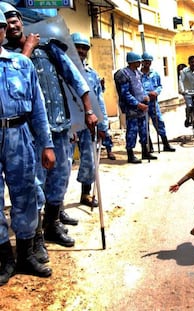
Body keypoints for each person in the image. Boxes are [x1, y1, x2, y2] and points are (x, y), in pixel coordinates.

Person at [1, 3, 98, 252]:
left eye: (15, 21)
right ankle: (36, 237)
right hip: (27, 135)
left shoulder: (47, 47)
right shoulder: (9, 57)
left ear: (21, 22)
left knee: (59, 180)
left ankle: (53, 224)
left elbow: (74, 77)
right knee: (34, 187)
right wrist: (26, 49)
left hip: (59, 126)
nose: (11, 26)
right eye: (6, 22)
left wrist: (88, 111)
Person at [0, 9, 55, 286]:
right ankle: (4, 258)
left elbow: (38, 109)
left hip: (19, 135)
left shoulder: (21, 65)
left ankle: (26, 254)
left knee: (26, 195)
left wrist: (46, 144)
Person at [71, 32, 112, 208]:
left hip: (89, 123)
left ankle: (86, 194)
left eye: (84, 48)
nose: (80, 51)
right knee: (63, 165)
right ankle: (54, 208)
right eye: (77, 47)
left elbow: (99, 100)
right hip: (67, 123)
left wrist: (103, 125)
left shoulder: (92, 74)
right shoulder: (59, 70)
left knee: (89, 160)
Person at [114, 51, 157, 163]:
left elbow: (140, 88)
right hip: (132, 108)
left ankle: (145, 151)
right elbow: (125, 94)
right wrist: (138, 104)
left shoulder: (137, 73)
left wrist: (145, 97)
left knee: (144, 130)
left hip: (142, 105)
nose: (140, 63)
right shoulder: (124, 74)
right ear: (133, 62)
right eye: (138, 61)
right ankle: (130, 154)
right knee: (132, 131)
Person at [140, 51, 176, 152]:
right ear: (142, 62)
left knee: (159, 122)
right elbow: (137, 89)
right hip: (143, 103)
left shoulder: (155, 74)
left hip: (153, 103)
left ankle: (165, 144)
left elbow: (159, 86)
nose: (147, 63)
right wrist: (147, 94)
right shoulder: (138, 75)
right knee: (144, 125)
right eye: (145, 61)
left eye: (149, 61)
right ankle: (149, 145)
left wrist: (156, 92)